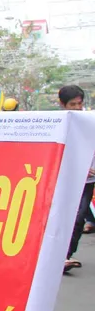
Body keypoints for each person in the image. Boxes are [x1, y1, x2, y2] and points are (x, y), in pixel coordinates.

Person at [59, 85, 94, 273]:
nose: (77, 107)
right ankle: (58, 256)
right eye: (72, 104)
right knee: (63, 217)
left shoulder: (90, 121)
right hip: (67, 178)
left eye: (79, 104)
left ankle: (66, 255)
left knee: (79, 217)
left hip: (87, 182)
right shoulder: (60, 123)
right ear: (62, 105)